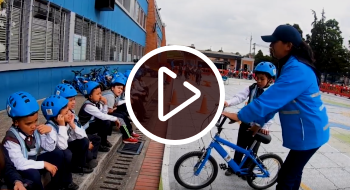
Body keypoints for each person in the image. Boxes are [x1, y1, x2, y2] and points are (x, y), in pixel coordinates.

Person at [222, 24, 329, 190]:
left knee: (286, 178)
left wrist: (240, 115)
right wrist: (258, 124)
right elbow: (277, 103)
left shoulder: (298, 69)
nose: (271, 45)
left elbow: (269, 100)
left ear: (288, 45)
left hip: (310, 132)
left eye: (274, 41)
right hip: (306, 130)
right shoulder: (288, 66)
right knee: (292, 174)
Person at [3, 91, 65, 190]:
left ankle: (57, 186)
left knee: (58, 153)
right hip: (20, 169)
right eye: (28, 124)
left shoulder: (34, 130)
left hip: (33, 162)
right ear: (16, 122)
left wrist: (50, 131)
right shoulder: (11, 140)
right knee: (34, 174)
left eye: (35, 121)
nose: (33, 126)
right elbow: (20, 163)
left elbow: (50, 147)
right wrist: (44, 164)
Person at [224, 62, 276, 178]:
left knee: (252, 151)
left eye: (262, 79)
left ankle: (247, 169)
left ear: (270, 80)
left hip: (258, 127)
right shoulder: (252, 88)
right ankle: (234, 166)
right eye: (257, 78)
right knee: (239, 147)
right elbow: (239, 97)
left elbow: (271, 113)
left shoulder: (271, 93)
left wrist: (266, 127)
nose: (258, 81)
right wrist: (228, 102)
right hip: (246, 123)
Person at [54, 83, 103, 161]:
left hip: (76, 138)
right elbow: (67, 141)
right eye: (70, 100)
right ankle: (85, 159)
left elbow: (79, 128)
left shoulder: (72, 113)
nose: (74, 102)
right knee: (84, 145)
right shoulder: (58, 118)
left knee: (96, 139)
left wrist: (87, 141)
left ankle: (89, 158)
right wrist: (86, 142)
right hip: (67, 145)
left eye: (74, 99)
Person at [41, 95, 81, 189]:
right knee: (64, 153)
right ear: (56, 118)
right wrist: (62, 125)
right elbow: (62, 146)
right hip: (49, 155)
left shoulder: (64, 123)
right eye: (66, 112)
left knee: (67, 152)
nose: (69, 114)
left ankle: (67, 182)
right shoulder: (50, 127)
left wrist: (68, 124)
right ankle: (58, 185)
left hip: (57, 153)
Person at [78, 81, 121, 151]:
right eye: (97, 94)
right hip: (85, 128)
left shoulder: (97, 103)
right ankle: (100, 144)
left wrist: (105, 103)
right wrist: (115, 118)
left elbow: (104, 114)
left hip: (91, 124)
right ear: (90, 96)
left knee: (107, 121)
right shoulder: (88, 106)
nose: (100, 95)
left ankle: (103, 141)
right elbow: (102, 116)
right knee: (106, 122)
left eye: (100, 93)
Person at [102, 76, 139, 143]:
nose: (120, 90)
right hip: (103, 114)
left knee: (123, 114)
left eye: (121, 89)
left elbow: (115, 105)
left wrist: (114, 108)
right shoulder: (110, 96)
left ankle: (130, 132)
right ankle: (126, 137)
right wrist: (114, 108)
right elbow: (109, 111)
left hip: (108, 111)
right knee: (120, 117)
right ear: (113, 88)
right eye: (118, 88)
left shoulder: (115, 95)